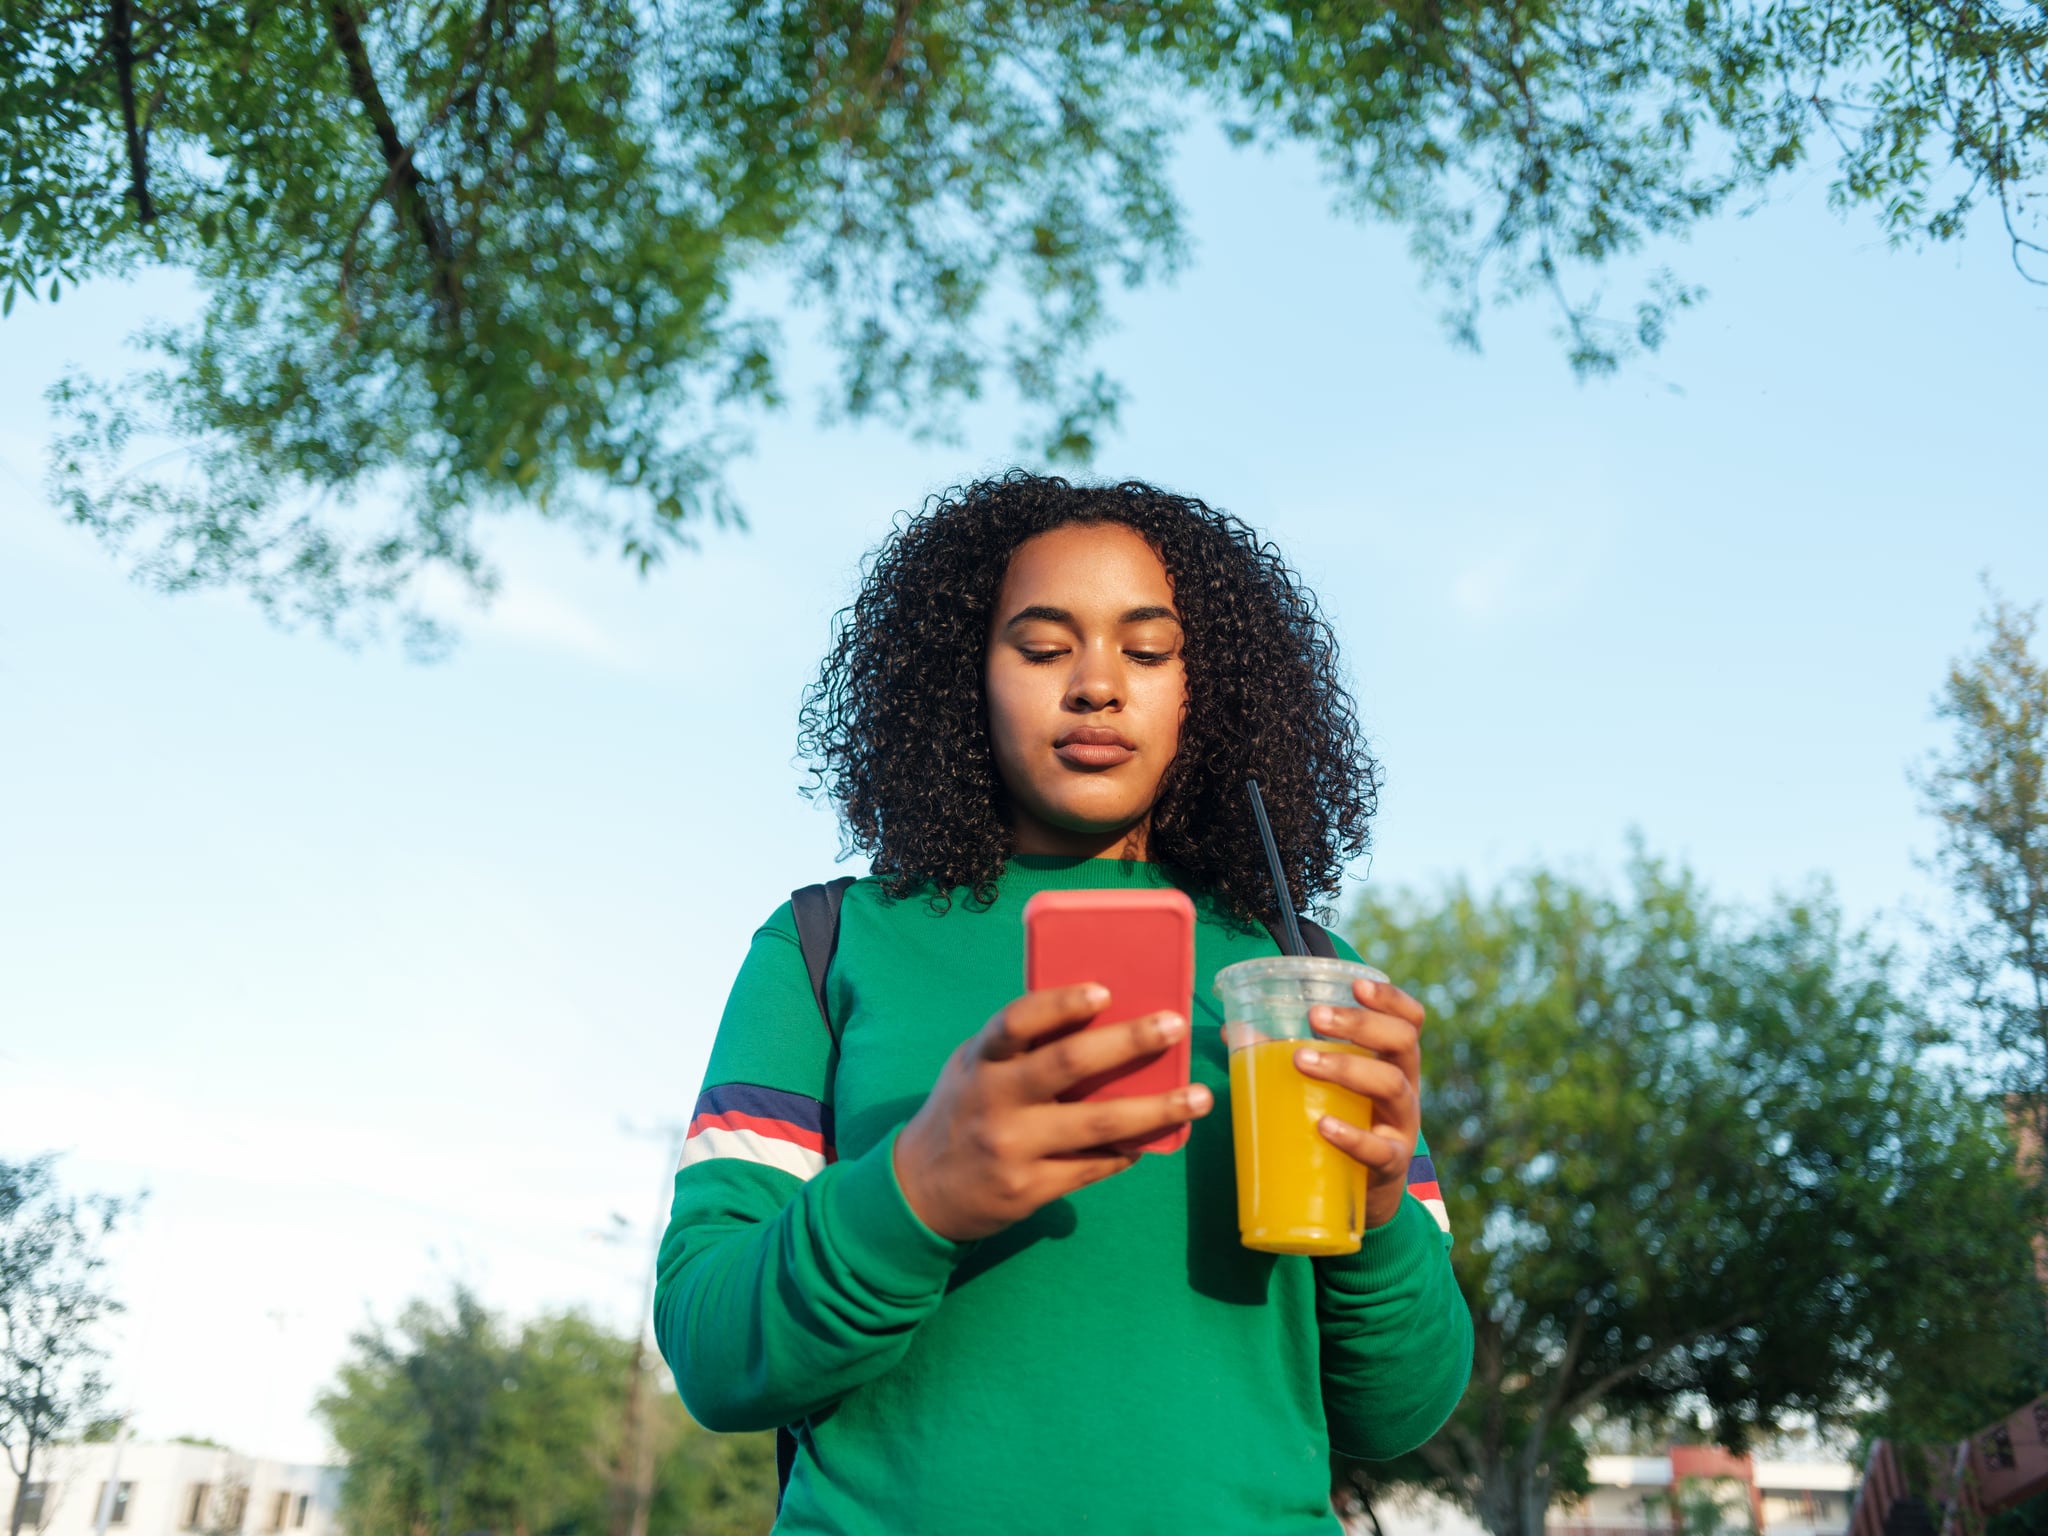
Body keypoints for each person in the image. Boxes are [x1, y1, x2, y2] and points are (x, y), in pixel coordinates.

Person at [654, 473, 1472, 1534]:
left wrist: (1373, 1226)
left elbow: (1399, 1408)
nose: (1097, 685)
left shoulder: (1299, 972)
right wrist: (917, 1192)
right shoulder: (824, 944)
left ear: (1201, 690)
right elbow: (712, 1355)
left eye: (1146, 650)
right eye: (1042, 648)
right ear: (964, 680)